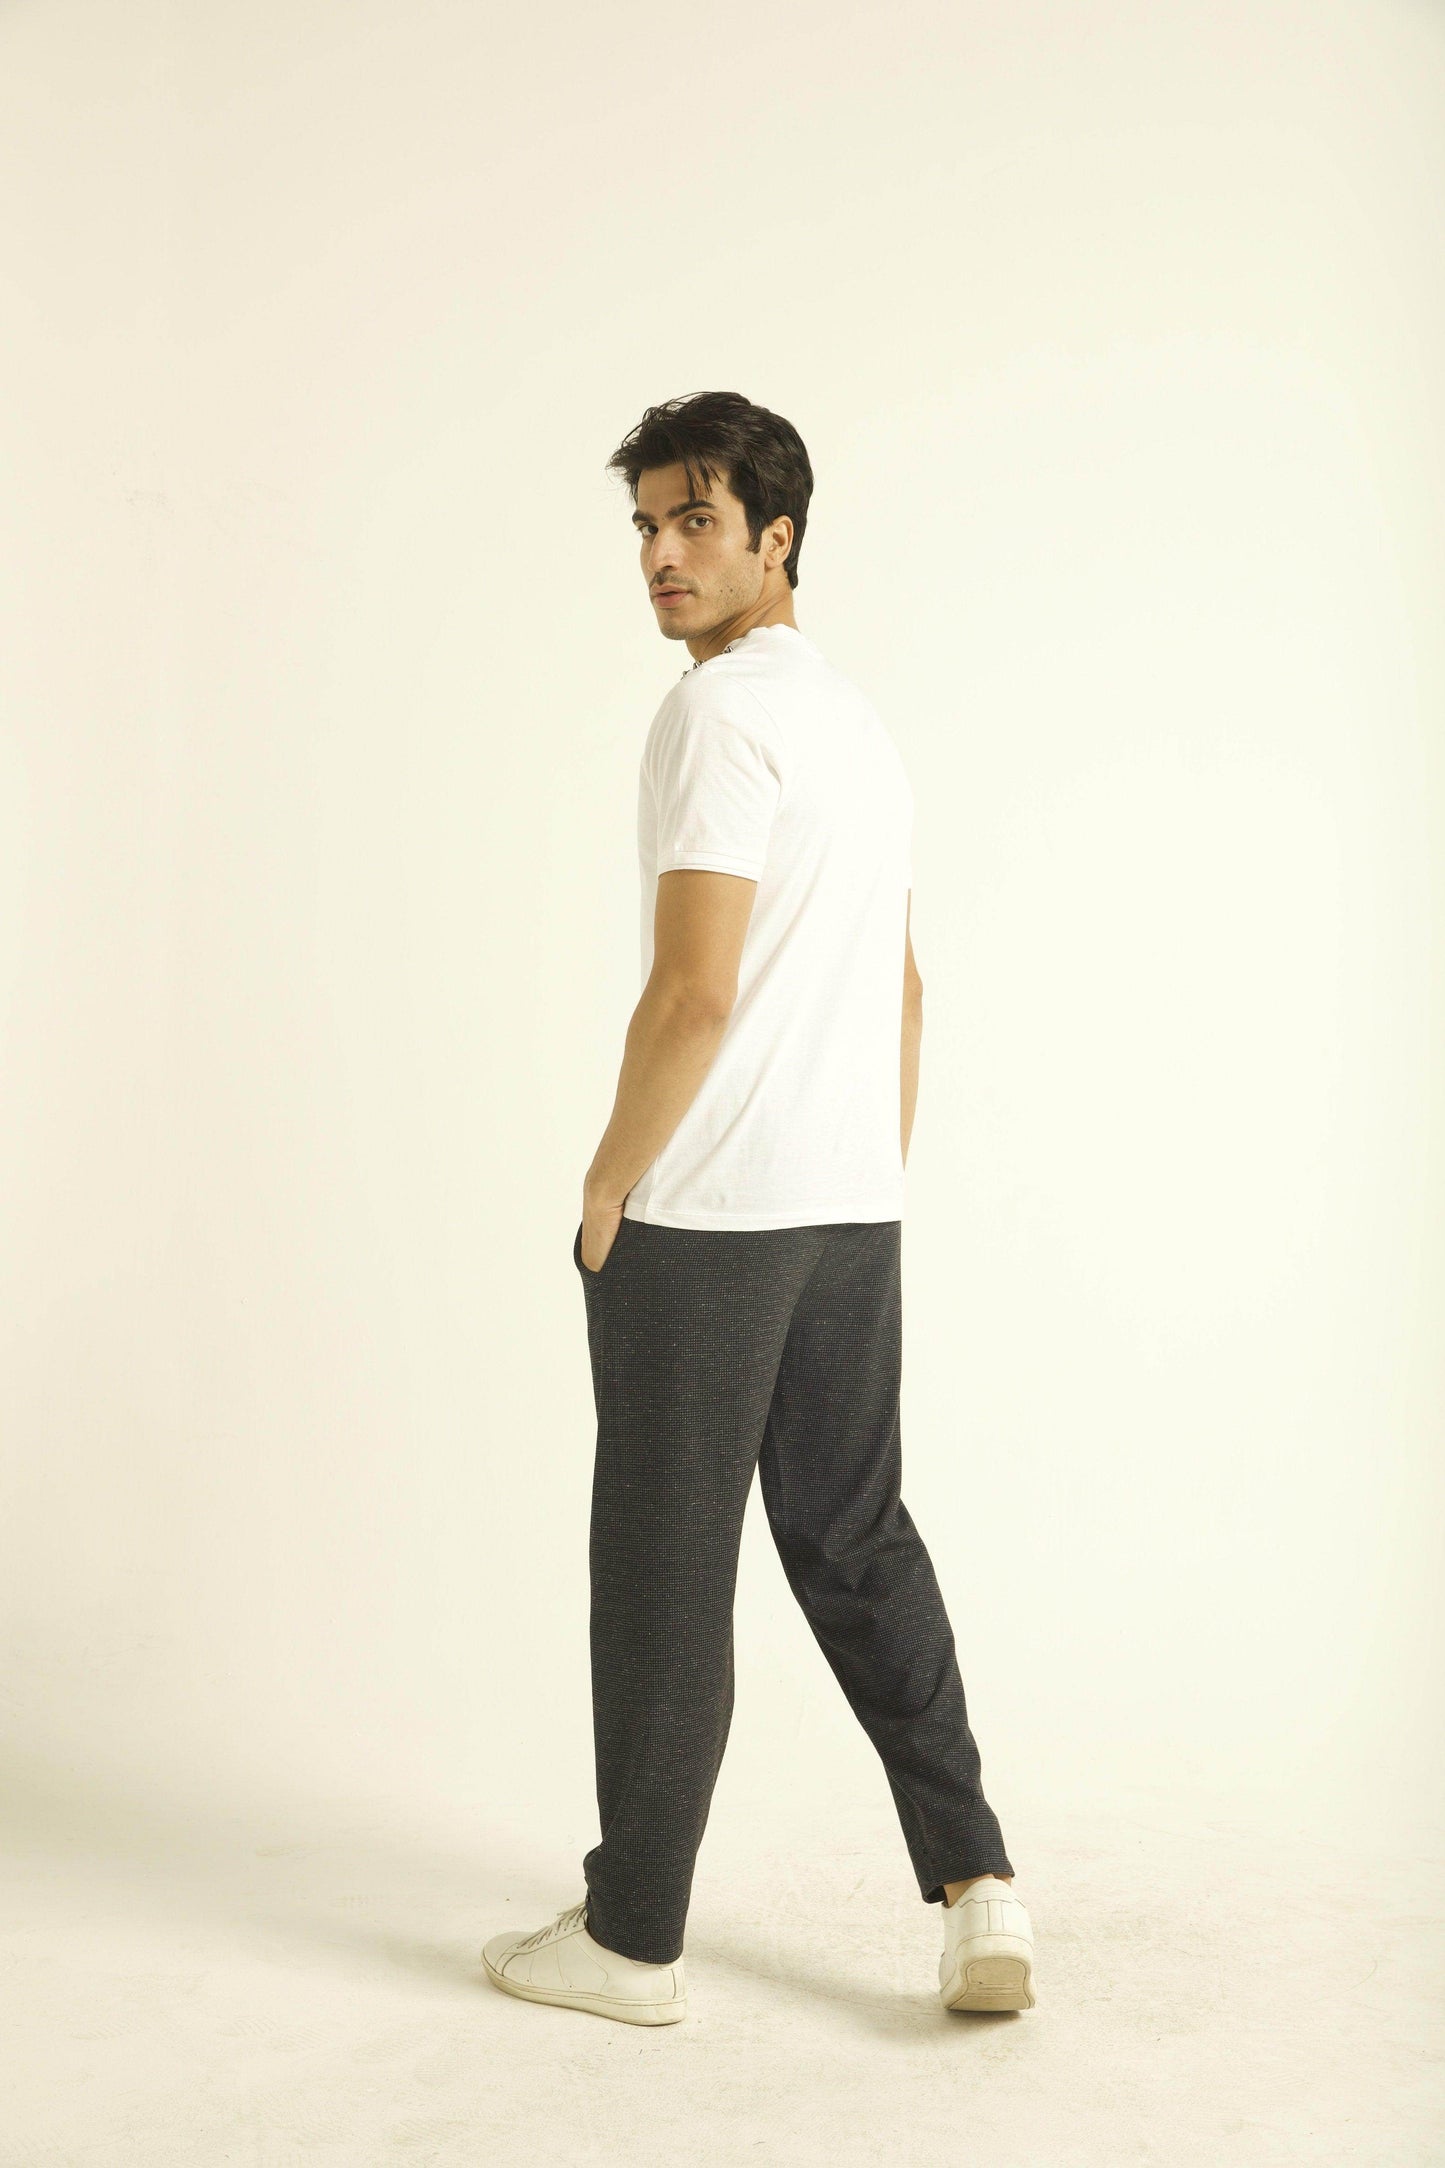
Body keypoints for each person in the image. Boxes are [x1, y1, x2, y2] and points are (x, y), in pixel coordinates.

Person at [483, 391, 1035, 2026]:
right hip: (849, 1206)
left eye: (695, 521)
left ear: (774, 538)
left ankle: (630, 1943)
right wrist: (866, 1172)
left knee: (663, 1567)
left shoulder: (717, 718)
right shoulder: (854, 723)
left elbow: (693, 993)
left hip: (710, 1218)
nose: (660, 554)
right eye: (646, 525)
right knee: (856, 1542)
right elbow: (905, 990)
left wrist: (608, 1182)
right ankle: (979, 1891)